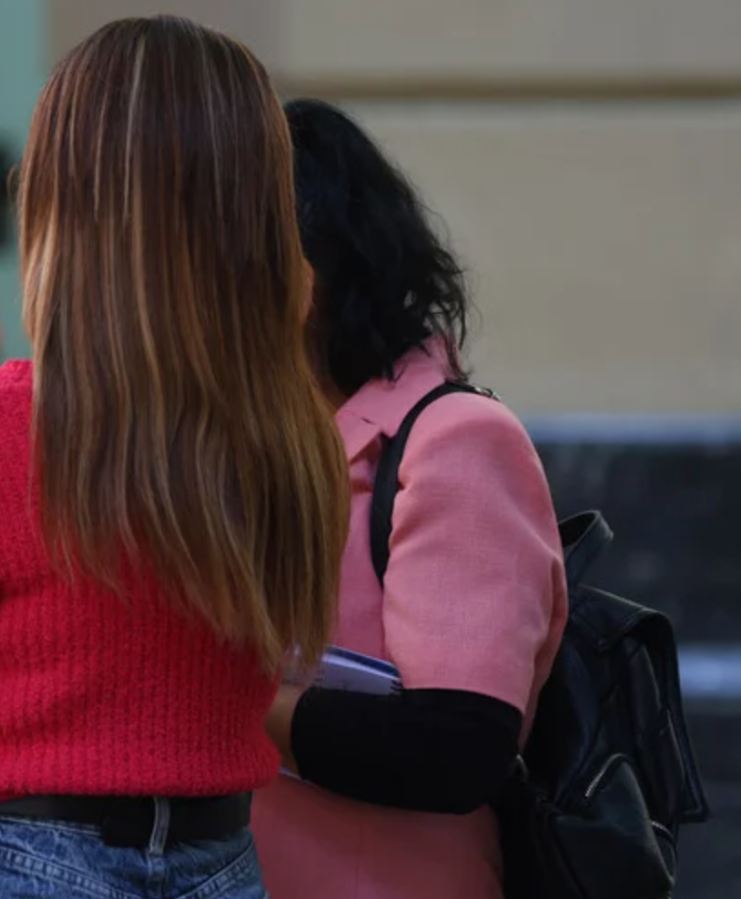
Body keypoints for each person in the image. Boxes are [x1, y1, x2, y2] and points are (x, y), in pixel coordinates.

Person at [0, 17, 352, 899]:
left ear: (59, 200)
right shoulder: (298, 442)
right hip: (218, 862)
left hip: (5, 860)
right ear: (256, 207)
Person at [250, 98, 571, 899]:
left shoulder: (454, 441)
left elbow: (456, 744)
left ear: (305, 277)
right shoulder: (260, 442)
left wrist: (225, 692)